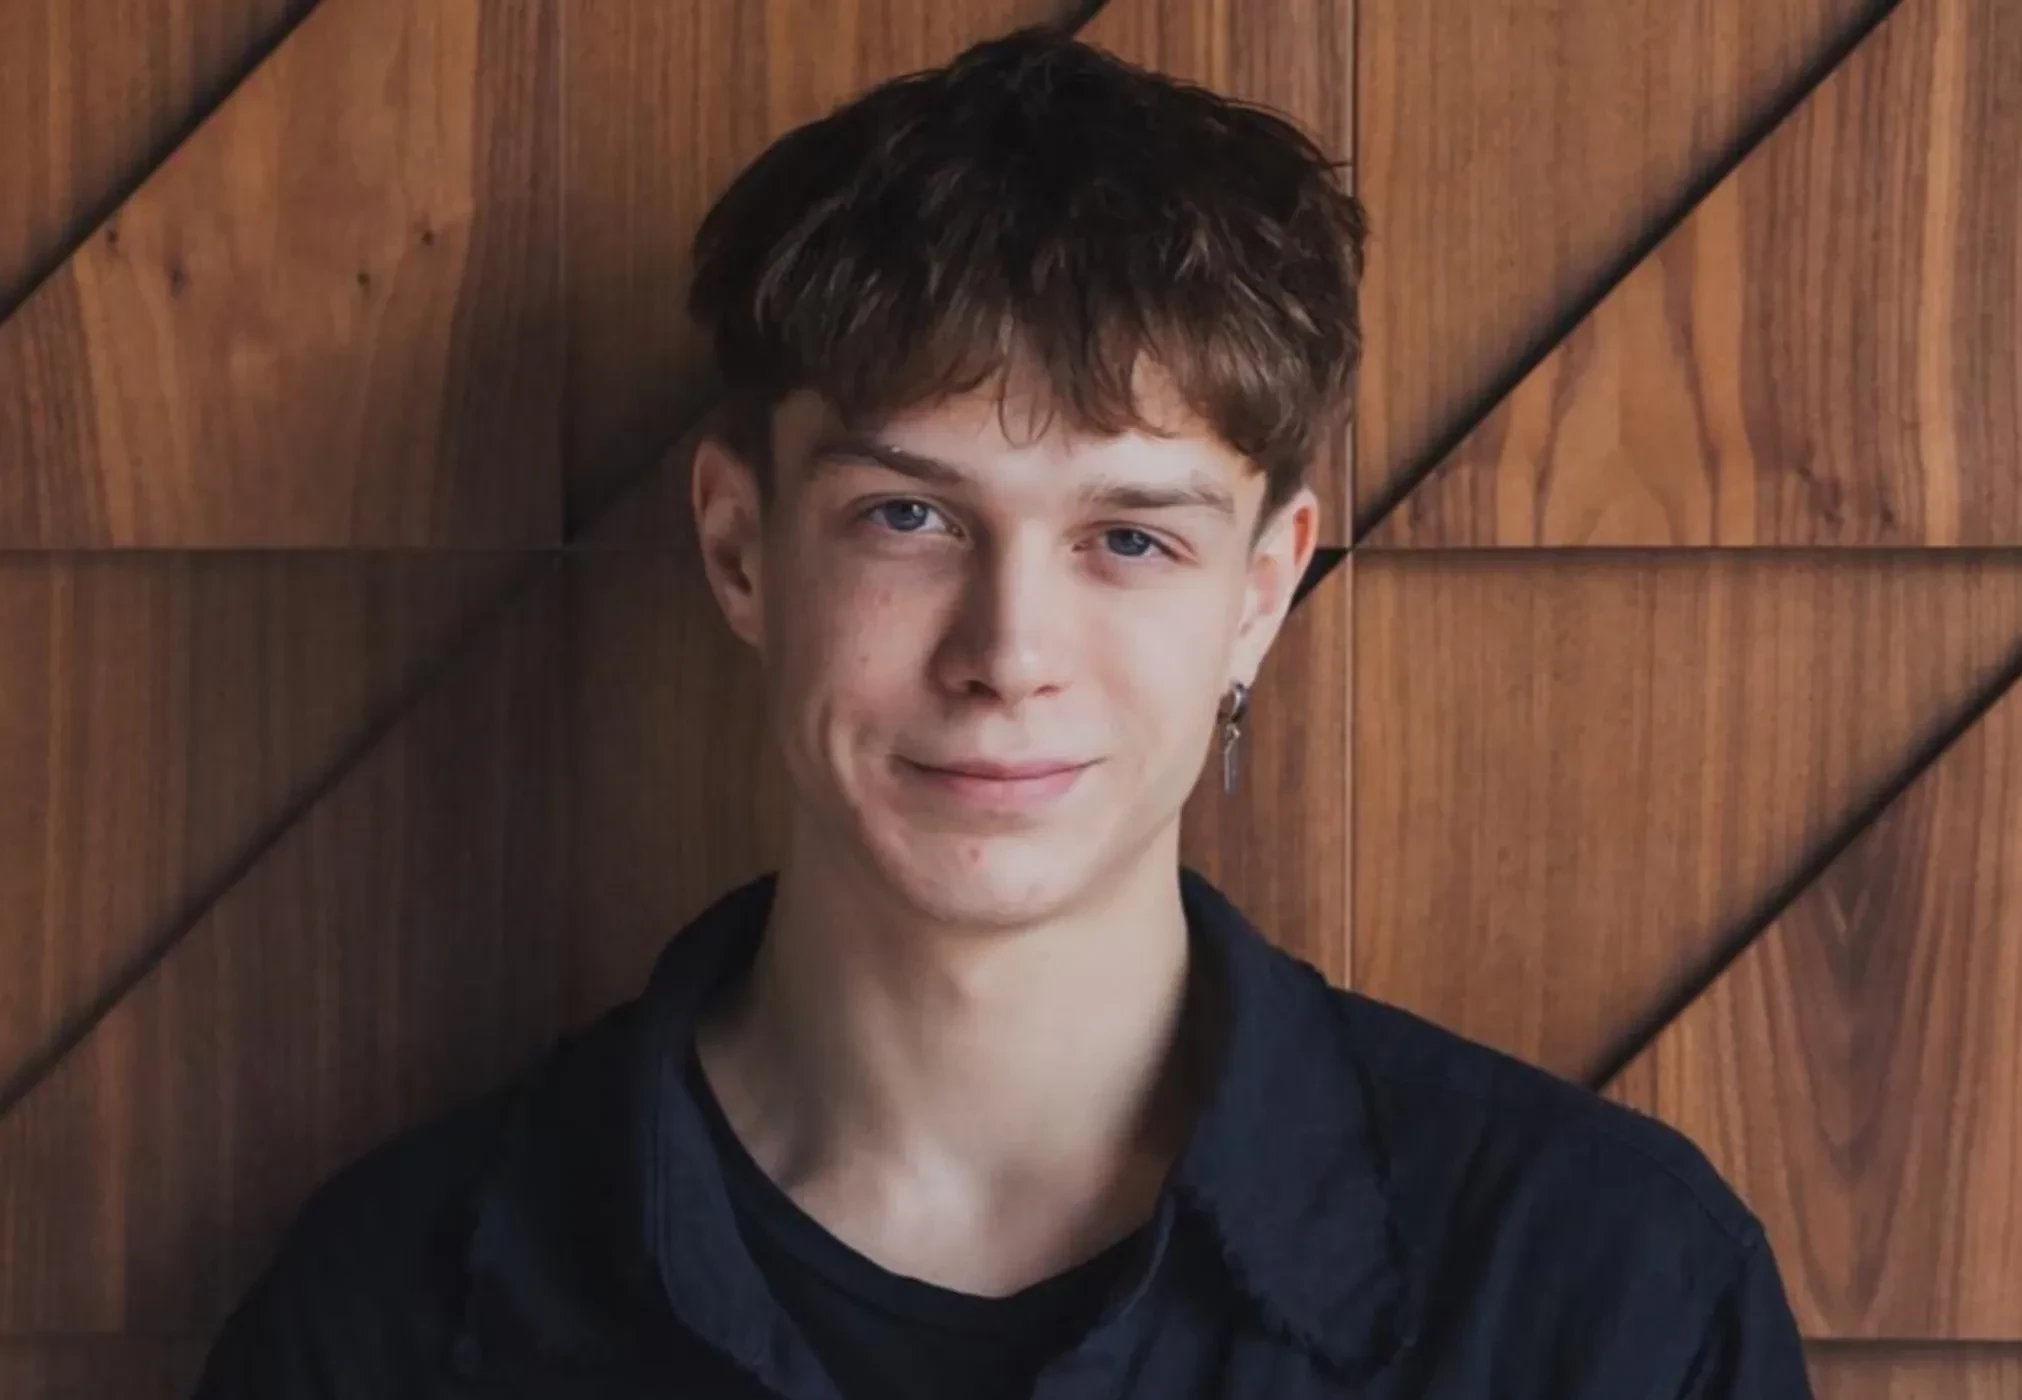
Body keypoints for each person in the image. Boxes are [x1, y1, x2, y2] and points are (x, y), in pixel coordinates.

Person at [192, 26, 1812, 1400]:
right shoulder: (395, 1313)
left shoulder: (1605, 1298)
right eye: (907, 516)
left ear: (1259, 593)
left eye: (1130, 538)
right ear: (740, 547)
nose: (1008, 651)